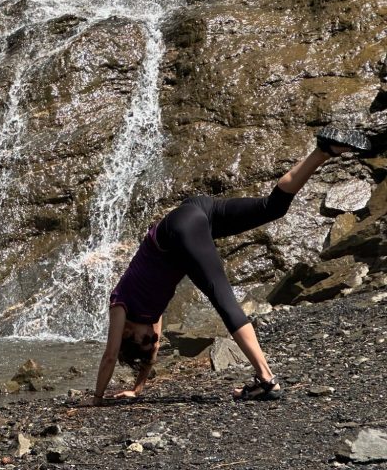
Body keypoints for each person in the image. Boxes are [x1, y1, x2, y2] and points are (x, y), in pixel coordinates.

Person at [92, 127, 371, 404]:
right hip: (198, 211)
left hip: (180, 228)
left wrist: (96, 399)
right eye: (155, 340)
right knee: (272, 207)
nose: (155, 338)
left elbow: (110, 355)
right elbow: (150, 354)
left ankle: (266, 378)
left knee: (224, 300)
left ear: (128, 332)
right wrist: (138, 389)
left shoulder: (120, 304)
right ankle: (323, 151)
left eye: (147, 339)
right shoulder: (151, 318)